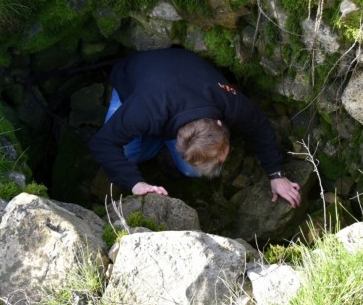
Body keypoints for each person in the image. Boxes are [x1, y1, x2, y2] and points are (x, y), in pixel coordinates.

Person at [89, 47, 302, 207]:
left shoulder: (228, 101)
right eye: (222, 156)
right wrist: (135, 183)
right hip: (133, 82)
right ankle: (151, 141)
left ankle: (156, 144)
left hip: (180, 80)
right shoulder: (144, 110)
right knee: (128, 154)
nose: (222, 161)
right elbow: (102, 143)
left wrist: (276, 174)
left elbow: (259, 126)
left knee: (192, 170)